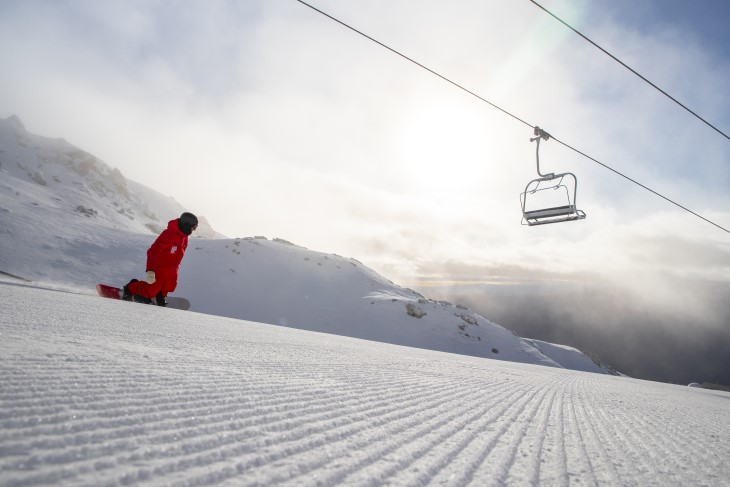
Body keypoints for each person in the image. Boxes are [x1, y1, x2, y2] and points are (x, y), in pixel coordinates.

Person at [122, 212, 198, 306]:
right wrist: (150, 270)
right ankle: (130, 288)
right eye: (193, 227)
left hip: (171, 270)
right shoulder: (168, 234)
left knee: (168, 286)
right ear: (186, 225)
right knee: (150, 291)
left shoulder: (184, 238)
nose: (193, 230)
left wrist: (174, 270)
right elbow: (152, 252)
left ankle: (158, 297)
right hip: (159, 269)